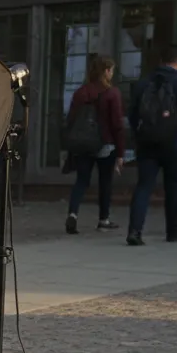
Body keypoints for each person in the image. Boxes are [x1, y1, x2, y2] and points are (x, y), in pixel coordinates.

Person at [126, 44, 177, 245]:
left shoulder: (143, 84)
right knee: (173, 187)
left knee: (143, 186)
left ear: (160, 60)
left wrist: (140, 135)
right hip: (174, 144)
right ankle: (173, 231)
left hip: (148, 143)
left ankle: (134, 230)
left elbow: (132, 114)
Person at [62, 55, 125, 234]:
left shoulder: (81, 92)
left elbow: (71, 119)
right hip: (106, 144)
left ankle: (73, 214)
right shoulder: (112, 93)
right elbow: (117, 125)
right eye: (111, 70)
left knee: (81, 180)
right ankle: (103, 219)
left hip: (83, 143)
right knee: (105, 182)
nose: (112, 74)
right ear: (106, 71)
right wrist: (121, 153)